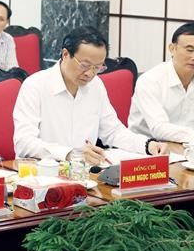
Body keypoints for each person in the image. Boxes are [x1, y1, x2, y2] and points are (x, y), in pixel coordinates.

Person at [13, 26, 167, 165]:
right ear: (65, 54)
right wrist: (70, 154)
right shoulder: (35, 85)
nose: (90, 73)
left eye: (97, 67)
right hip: (41, 174)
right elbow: (24, 142)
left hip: (84, 174)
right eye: (85, 65)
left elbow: (113, 131)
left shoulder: (96, 85)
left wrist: (148, 145)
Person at [128, 23, 194, 145]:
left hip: (191, 147)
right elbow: (160, 129)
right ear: (172, 48)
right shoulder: (150, 80)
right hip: (148, 148)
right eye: (190, 50)